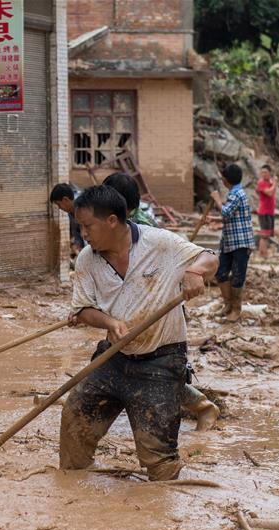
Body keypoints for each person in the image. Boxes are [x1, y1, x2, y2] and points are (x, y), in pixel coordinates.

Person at [62, 185, 218, 479]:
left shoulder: (159, 244)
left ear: (111, 220)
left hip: (160, 362)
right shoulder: (87, 259)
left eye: (87, 226)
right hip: (113, 357)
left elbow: (210, 256)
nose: (83, 233)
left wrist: (195, 271)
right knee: (74, 428)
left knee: (160, 464)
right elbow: (82, 309)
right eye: (80, 226)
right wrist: (109, 322)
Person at [209, 163, 254, 322]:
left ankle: (236, 309)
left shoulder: (237, 193)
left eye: (223, 178)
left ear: (227, 180)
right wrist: (214, 220)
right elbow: (231, 216)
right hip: (230, 242)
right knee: (221, 272)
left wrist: (216, 199)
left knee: (237, 276)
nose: (222, 181)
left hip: (240, 243)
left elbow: (227, 212)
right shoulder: (234, 193)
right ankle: (228, 304)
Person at [50, 183, 85, 253]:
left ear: (65, 200)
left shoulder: (84, 209)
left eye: (59, 204)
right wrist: (77, 245)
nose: (59, 208)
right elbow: (76, 233)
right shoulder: (71, 214)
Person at [256, 164, 276, 258]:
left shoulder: (270, 182)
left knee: (267, 235)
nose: (263, 174)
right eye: (262, 172)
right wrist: (275, 183)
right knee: (264, 235)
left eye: (265, 172)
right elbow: (270, 192)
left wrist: (273, 182)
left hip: (270, 211)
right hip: (264, 211)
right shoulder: (261, 183)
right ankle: (262, 254)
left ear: (269, 173)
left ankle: (265, 253)